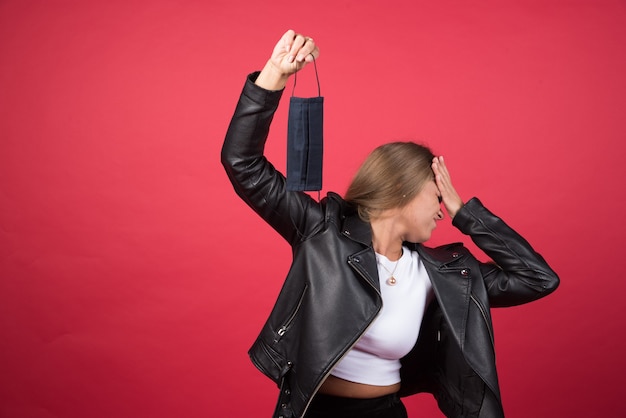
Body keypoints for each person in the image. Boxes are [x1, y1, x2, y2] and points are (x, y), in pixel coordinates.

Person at [221, 29, 559, 418]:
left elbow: (539, 279)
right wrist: (274, 76)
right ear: (402, 188)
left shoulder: (443, 275)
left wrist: (465, 213)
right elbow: (242, 164)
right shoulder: (322, 231)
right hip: (314, 411)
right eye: (437, 194)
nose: (440, 208)